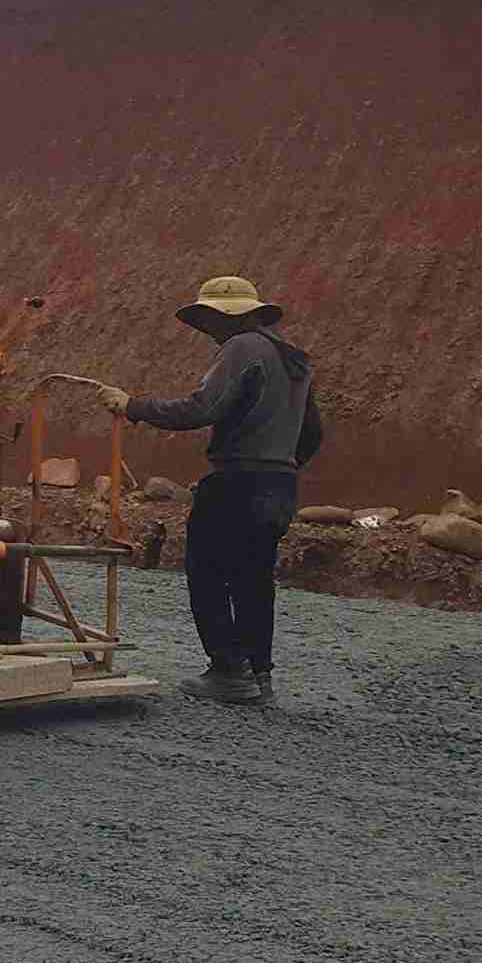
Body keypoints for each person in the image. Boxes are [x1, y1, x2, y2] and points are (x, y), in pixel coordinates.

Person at [101, 276, 324, 706]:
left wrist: (133, 406)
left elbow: (202, 408)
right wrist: (281, 466)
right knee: (254, 580)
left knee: (207, 573)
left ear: (225, 316)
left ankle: (226, 670)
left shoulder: (243, 348)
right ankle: (259, 676)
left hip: (238, 481)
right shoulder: (293, 358)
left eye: (208, 319)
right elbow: (312, 431)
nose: (207, 330)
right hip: (278, 484)